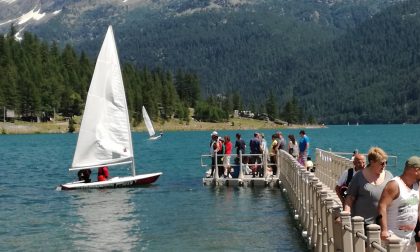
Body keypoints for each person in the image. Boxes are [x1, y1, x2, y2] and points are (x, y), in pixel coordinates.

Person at [377, 156, 420, 252]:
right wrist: (384, 230)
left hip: (410, 237)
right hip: (393, 236)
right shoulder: (394, 185)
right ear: (416, 170)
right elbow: (382, 206)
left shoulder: (417, 185)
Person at [344, 147, 393, 225]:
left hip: (383, 223)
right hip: (362, 223)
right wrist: (346, 214)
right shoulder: (359, 176)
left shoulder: (389, 176)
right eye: (381, 163)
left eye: (386, 162)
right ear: (372, 162)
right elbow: (350, 197)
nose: (384, 166)